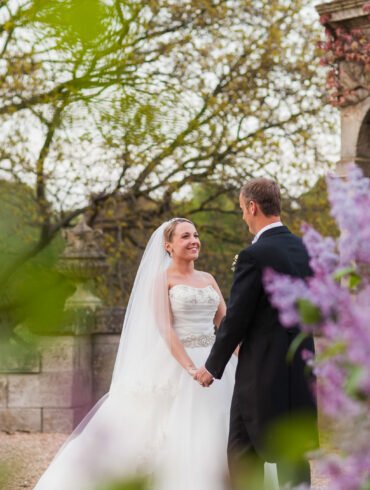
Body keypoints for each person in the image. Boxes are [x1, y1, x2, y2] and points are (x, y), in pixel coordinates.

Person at [34, 218, 277, 490]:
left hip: (216, 361)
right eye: (185, 236)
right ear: (168, 245)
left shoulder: (208, 279)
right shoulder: (162, 280)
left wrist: (246, 358)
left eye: (196, 235)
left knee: (225, 427)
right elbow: (165, 329)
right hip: (177, 361)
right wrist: (190, 367)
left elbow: (227, 325)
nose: (194, 241)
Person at [195, 178, 318, 488]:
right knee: (293, 452)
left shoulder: (255, 255)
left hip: (260, 373)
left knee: (242, 452)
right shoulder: (305, 250)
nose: (243, 217)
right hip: (301, 370)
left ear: (253, 206)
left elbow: (237, 317)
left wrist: (213, 366)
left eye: (242, 210)